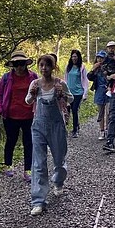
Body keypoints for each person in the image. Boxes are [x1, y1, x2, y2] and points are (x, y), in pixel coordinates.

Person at [25, 54, 73, 216]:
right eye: (41, 65)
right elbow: (28, 101)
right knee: (38, 163)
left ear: (53, 67)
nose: (44, 68)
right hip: (38, 126)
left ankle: (58, 181)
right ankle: (38, 201)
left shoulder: (60, 83)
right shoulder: (35, 83)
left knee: (59, 159)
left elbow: (71, 99)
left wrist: (62, 95)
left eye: (47, 65)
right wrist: (32, 94)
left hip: (56, 126)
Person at [0, 50, 38, 182]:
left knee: (29, 142)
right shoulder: (6, 78)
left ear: (26, 64)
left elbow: (38, 94)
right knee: (11, 141)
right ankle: (8, 165)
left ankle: (28, 169)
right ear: (12, 65)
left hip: (29, 115)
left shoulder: (33, 77)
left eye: (22, 64)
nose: (19, 67)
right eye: (16, 64)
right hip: (11, 115)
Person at [64, 49, 89, 138]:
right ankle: (69, 128)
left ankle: (75, 129)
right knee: (67, 110)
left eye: (75, 56)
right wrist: (64, 90)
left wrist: (85, 93)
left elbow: (85, 80)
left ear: (78, 57)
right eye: (73, 56)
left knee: (74, 110)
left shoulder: (81, 67)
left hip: (78, 92)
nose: (74, 58)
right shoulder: (68, 67)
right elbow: (65, 79)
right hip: (69, 92)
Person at [87, 50, 109, 140]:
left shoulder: (109, 67)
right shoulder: (95, 68)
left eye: (102, 58)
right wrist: (93, 69)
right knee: (101, 112)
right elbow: (89, 77)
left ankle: (108, 129)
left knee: (109, 111)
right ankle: (102, 130)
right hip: (99, 90)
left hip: (108, 90)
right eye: (98, 57)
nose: (100, 59)